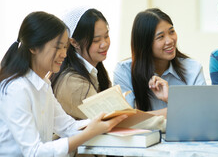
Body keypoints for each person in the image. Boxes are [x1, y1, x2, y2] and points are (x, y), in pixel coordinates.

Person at [0, 11, 126, 156]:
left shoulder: (43, 84)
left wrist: (102, 120)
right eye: (57, 47)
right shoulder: (17, 88)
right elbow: (34, 152)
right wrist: (90, 132)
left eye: (65, 47)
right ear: (33, 48)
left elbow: (67, 126)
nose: (64, 54)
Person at [113, 8, 206, 115]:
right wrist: (181, 109)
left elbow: (203, 112)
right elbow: (126, 118)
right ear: (145, 43)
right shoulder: (124, 70)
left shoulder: (193, 68)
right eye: (160, 37)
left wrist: (170, 99)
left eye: (171, 32)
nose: (170, 40)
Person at [51, 8, 112, 120]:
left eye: (106, 36)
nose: (104, 44)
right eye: (96, 40)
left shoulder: (95, 70)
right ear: (74, 42)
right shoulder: (72, 82)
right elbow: (107, 120)